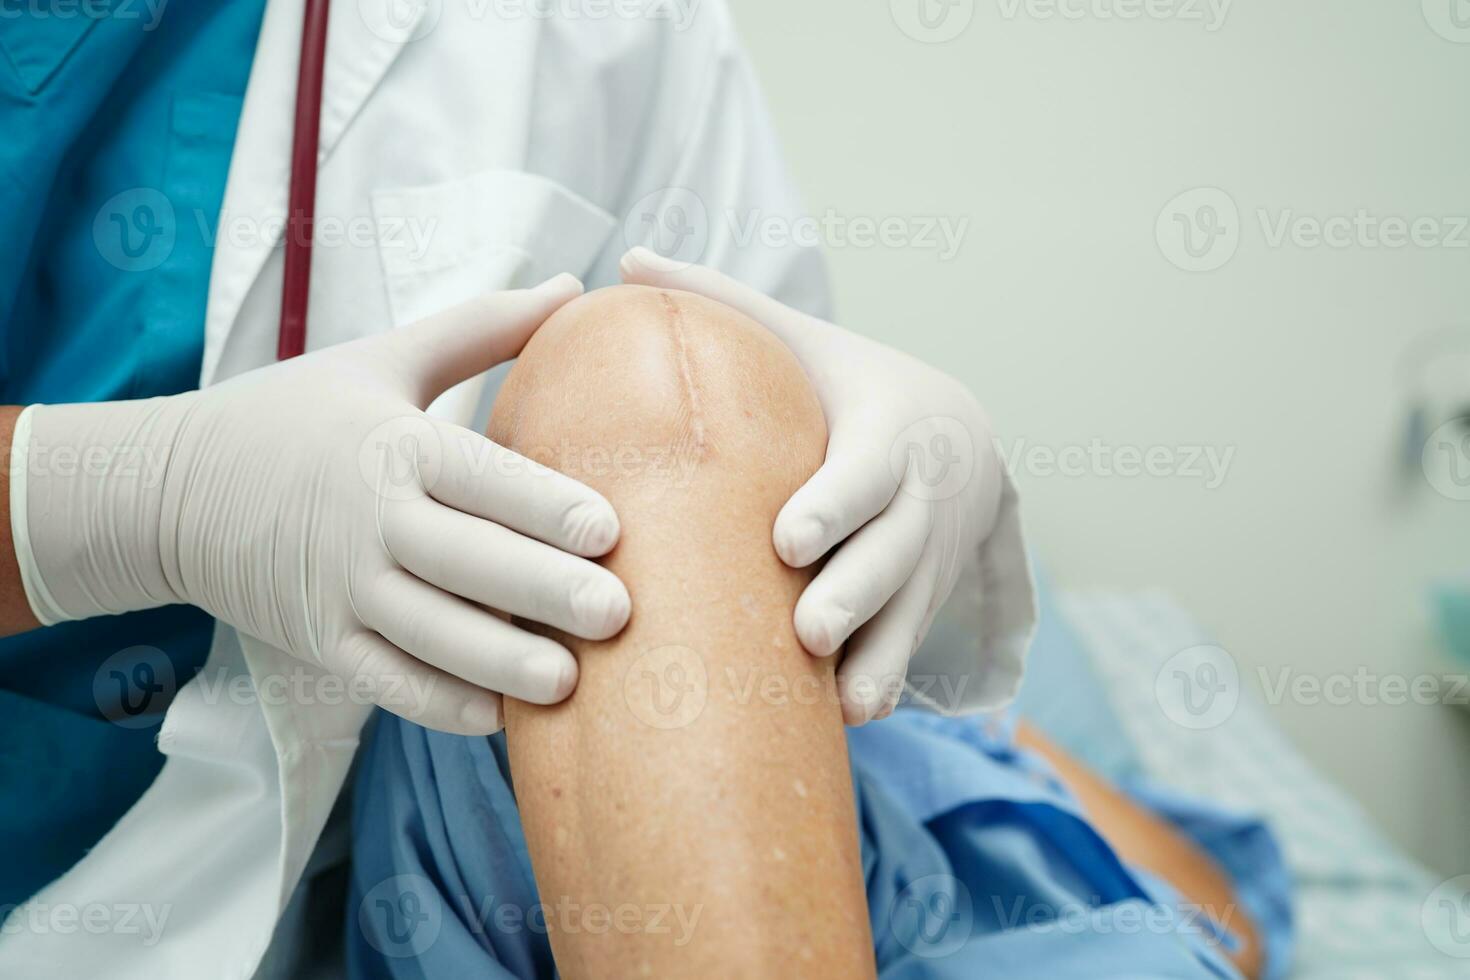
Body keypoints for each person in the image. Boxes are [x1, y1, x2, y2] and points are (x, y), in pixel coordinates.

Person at [0, 2, 1034, 975]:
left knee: (648, 378)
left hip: (416, 834)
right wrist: (114, 501)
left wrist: (898, 484)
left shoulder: (610, 28)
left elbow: (776, 571)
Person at [347, 282, 1290, 979]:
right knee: (646, 370)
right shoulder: (639, 392)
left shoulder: (969, 739)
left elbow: (1225, 935)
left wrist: (974, 716)